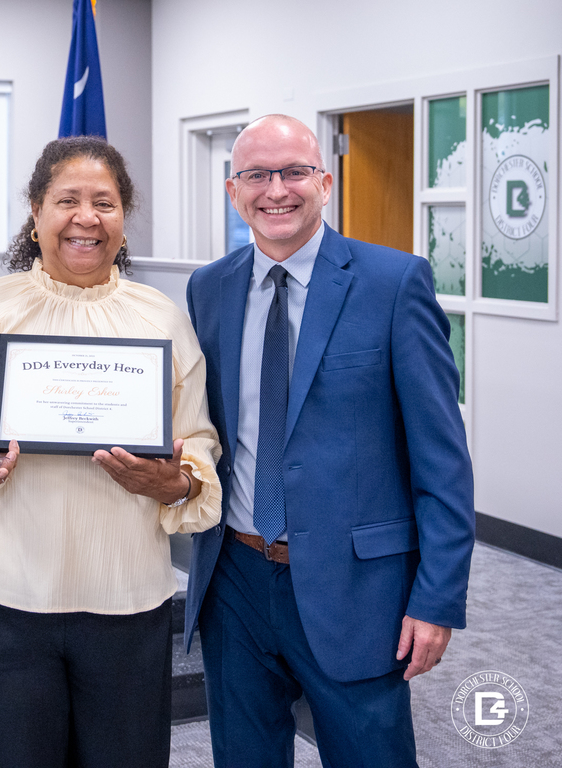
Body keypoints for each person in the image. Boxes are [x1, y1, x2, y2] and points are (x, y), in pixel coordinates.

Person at [0, 136, 222, 768]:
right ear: (35, 210)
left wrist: (178, 483)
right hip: (9, 605)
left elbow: (201, 440)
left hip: (129, 606)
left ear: (123, 218)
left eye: (103, 202)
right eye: (67, 200)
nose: (86, 217)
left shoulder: (161, 318)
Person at [185, 114, 476, 767]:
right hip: (234, 579)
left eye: (293, 172)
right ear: (234, 191)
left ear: (326, 181)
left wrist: (437, 597)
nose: (276, 189)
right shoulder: (209, 289)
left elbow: (444, 462)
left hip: (358, 588)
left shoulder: (394, 283)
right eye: (257, 174)